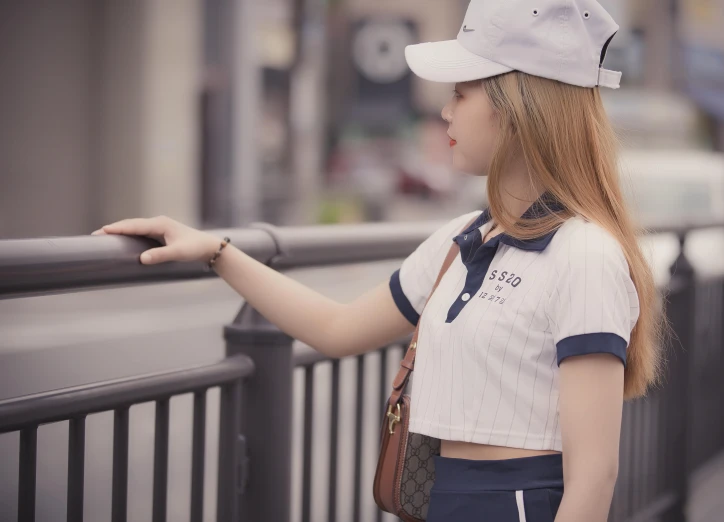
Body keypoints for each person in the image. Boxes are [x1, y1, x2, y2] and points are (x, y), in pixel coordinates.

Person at [93, 0, 664, 520]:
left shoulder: (586, 255)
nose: (443, 111)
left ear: (515, 107)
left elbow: (593, 477)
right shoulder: (461, 239)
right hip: (437, 498)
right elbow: (338, 328)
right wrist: (218, 252)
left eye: (460, 93)